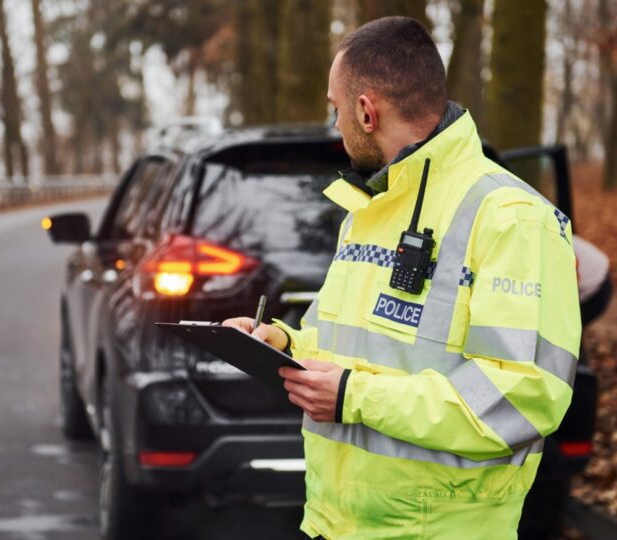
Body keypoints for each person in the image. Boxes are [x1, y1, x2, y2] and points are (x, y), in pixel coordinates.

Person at [223, 16, 580, 540]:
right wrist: (282, 341)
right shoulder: (369, 208)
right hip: (336, 523)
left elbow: (521, 399)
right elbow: (354, 348)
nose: (336, 123)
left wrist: (353, 396)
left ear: (366, 111)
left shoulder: (513, 218)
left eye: (335, 108)